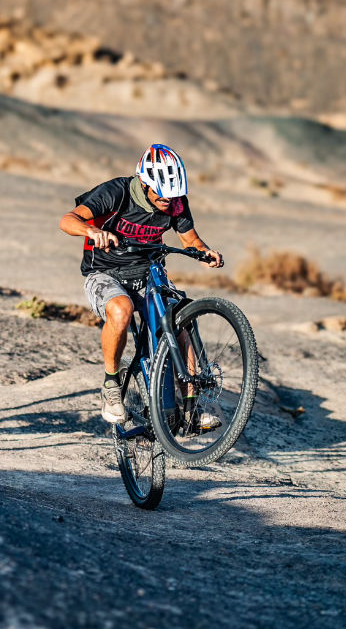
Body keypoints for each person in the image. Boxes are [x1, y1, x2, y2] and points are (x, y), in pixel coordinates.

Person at [59, 143, 224, 426]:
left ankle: (190, 407)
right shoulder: (117, 192)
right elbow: (67, 220)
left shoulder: (176, 202)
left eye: (173, 195)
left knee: (180, 320)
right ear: (145, 182)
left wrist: (204, 251)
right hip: (106, 273)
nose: (168, 201)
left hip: (149, 275)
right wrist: (93, 231)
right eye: (162, 194)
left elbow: (190, 239)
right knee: (121, 310)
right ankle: (112, 384)